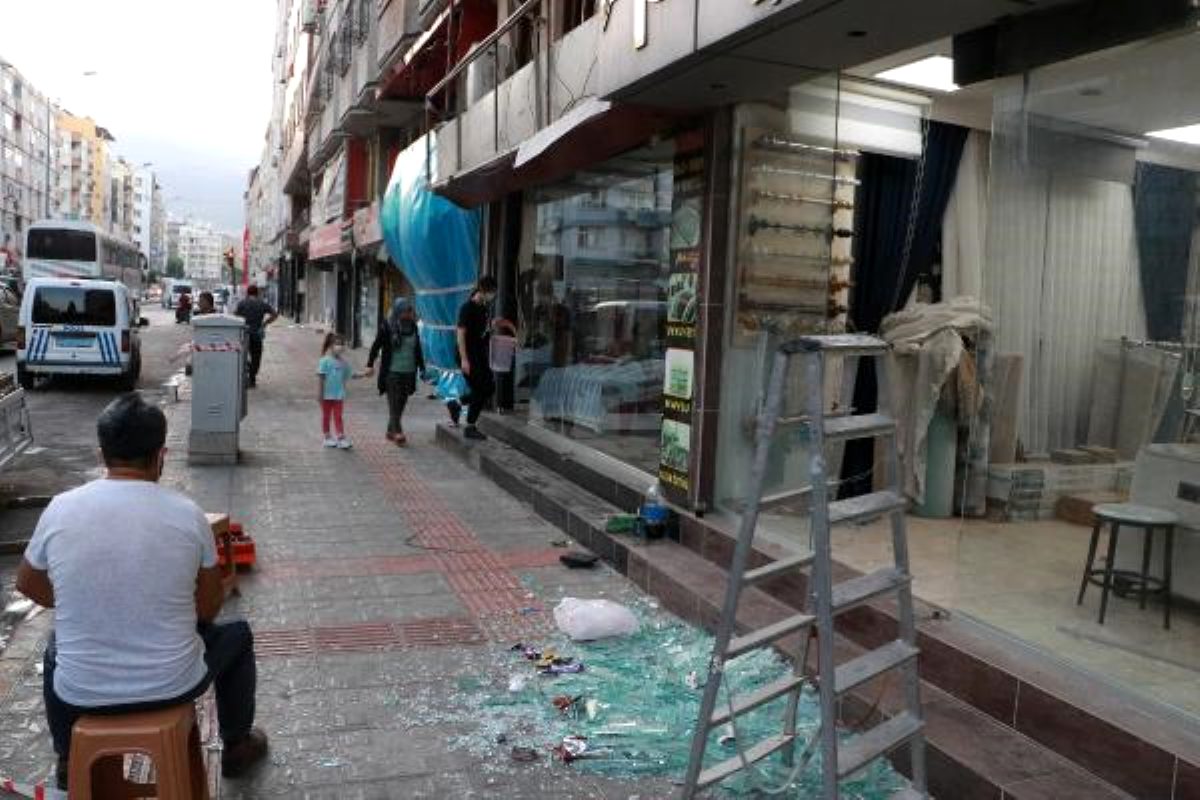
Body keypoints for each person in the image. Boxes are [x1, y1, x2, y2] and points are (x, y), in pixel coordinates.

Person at [15, 393, 268, 790]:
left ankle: (69, 756)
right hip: (172, 687)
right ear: (161, 455)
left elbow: (27, 583)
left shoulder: (60, 508)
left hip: (81, 694)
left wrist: (86, 605)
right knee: (237, 635)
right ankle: (236, 744)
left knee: (55, 647)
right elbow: (207, 609)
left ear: (102, 453)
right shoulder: (187, 514)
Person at [456, 276, 516, 440]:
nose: (492, 296)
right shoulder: (467, 308)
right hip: (467, 354)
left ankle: (459, 403)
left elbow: (482, 330)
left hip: (478, 353)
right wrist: (464, 359)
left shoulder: (484, 308)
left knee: (489, 387)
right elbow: (460, 334)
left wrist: (495, 324)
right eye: (491, 292)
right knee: (480, 388)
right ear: (482, 290)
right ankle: (470, 426)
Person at [366, 298, 425, 446]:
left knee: (402, 402)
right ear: (398, 311)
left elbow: (417, 348)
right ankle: (398, 432)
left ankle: (390, 430)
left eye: (410, 311)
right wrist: (370, 364)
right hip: (392, 371)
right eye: (406, 311)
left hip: (409, 371)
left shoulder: (413, 326)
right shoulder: (387, 326)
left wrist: (422, 366)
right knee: (394, 402)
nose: (409, 313)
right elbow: (376, 345)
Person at [317, 332, 363, 449]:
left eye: (342, 344)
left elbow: (351, 374)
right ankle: (327, 437)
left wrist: (364, 374)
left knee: (338, 416)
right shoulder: (324, 361)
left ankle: (341, 438)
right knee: (326, 416)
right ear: (331, 345)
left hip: (339, 395)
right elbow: (321, 378)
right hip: (326, 395)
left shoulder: (344, 363)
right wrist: (320, 394)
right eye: (337, 344)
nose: (340, 346)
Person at [235, 285, 279, 387]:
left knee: (244, 355)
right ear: (257, 293)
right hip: (257, 334)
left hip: (244, 334)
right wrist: (265, 323)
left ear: (247, 293)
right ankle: (252, 378)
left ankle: (244, 375)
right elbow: (275, 314)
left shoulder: (242, 303)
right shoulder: (262, 304)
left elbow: (235, 315)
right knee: (256, 356)